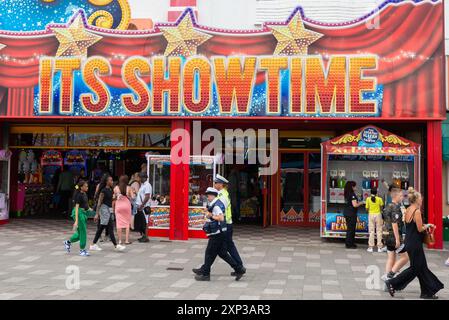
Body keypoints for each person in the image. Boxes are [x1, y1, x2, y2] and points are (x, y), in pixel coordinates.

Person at [385, 189, 444, 299]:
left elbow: (413, 225)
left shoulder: (408, 209)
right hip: (415, 243)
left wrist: (425, 225)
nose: (422, 199)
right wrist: (429, 225)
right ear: (416, 200)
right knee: (415, 268)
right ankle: (392, 282)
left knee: (422, 267)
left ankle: (427, 292)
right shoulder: (416, 211)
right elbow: (420, 228)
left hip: (409, 241)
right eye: (420, 198)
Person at [192, 187, 245, 281]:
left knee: (209, 253)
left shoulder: (216, 205)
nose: (207, 197)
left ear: (212, 195)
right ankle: (239, 269)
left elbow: (221, 218)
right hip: (219, 232)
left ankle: (205, 274)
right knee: (222, 253)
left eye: (208, 196)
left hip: (216, 233)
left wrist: (210, 215)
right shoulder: (215, 203)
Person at [214, 174, 245, 276]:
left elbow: (220, 211)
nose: (214, 184)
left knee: (222, 248)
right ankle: (239, 266)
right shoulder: (223, 193)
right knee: (228, 247)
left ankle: (239, 267)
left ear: (221, 184)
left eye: (216, 183)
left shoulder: (222, 196)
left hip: (225, 225)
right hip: (227, 224)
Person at [90, 175, 125, 252]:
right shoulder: (103, 190)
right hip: (104, 209)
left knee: (103, 227)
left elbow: (111, 199)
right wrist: (97, 214)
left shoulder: (110, 189)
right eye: (111, 180)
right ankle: (116, 245)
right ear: (106, 181)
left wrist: (117, 197)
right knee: (110, 226)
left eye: (112, 180)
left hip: (109, 209)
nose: (112, 182)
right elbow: (99, 202)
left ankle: (93, 244)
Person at [382, 187, 409, 281]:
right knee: (405, 257)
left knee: (391, 257)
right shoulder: (395, 207)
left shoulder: (387, 206)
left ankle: (388, 282)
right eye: (401, 195)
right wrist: (398, 239)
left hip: (386, 235)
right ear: (396, 196)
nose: (402, 197)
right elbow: (394, 224)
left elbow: (384, 220)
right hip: (394, 236)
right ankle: (390, 275)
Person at [64, 180, 91, 256]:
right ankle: (82, 250)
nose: (87, 187)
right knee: (83, 232)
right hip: (78, 214)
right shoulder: (79, 195)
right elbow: (76, 208)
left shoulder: (84, 194)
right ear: (81, 187)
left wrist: (90, 209)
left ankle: (68, 242)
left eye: (87, 186)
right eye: (86, 186)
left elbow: (85, 206)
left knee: (80, 234)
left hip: (83, 213)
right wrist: (76, 220)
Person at [343, 181, 364, 249]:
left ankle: (350, 243)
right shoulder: (352, 194)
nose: (356, 187)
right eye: (355, 186)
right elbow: (355, 205)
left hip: (347, 212)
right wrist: (362, 202)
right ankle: (349, 244)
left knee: (350, 229)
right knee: (351, 229)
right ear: (352, 187)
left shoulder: (348, 193)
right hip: (351, 213)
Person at [114, 175, 133, 245]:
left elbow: (114, 196)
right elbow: (132, 197)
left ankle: (119, 240)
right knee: (127, 223)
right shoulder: (129, 188)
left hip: (118, 205)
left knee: (119, 223)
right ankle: (127, 240)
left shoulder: (116, 188)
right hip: (127, 206)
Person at [365, 187, 385, 253]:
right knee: (379, 231)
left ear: (370, 192)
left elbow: (366, 209)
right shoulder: (379, 199)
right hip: (378, 215)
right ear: (377, 192)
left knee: (371, 231)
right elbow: (382, 207)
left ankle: (371, 247)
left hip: (371, 214)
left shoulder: (368, 199)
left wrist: (370, 211)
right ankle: (379, 247)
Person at [135, 172, 152, 243]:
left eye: (140, 178)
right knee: (142, 222)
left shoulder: (147, 185)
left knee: (145, 222)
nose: (139, 179)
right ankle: (143, 236)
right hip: (141, 206)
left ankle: (146, 237)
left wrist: (142, 205)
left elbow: (147, 196)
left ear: (143, 178)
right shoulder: (142, 185)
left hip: (144, 207)